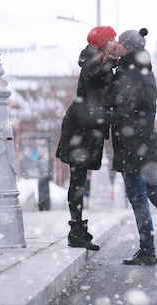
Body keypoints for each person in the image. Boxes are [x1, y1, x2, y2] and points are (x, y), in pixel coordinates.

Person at [111, 28, 157, 265]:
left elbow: (123, 111)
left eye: (121, 43)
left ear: (129, 48)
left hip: (133, 147)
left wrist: (107, 113)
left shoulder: (128, 75)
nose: (117, 46)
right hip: (148, 143)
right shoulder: (145, 71)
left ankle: (147, 250)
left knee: (140, 199)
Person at [56, 26, 118, 251]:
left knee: (79, 179)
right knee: (78, 180)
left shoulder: (96, 63)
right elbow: (97, 99)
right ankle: (76, 231)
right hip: (81, 128)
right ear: (102, 43)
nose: (114, 43)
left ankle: (78, 229)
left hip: (83, 126)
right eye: (111, 40)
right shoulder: (96, 65)